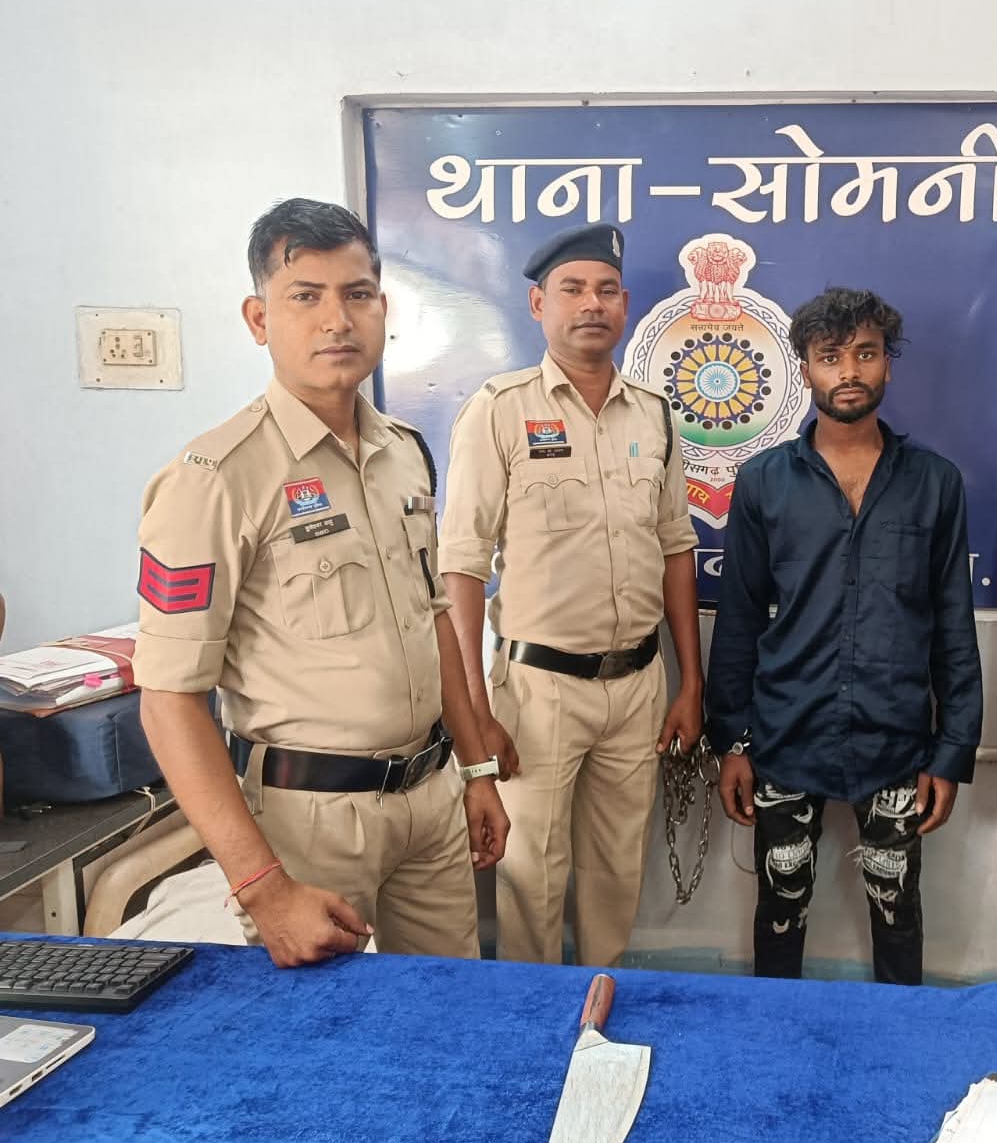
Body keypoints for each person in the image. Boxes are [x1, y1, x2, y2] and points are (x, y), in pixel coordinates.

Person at [135, 198, 509, 969]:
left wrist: (476, 771)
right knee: (325, 1032)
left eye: (357, 293)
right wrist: (263, 888)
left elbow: (434, 617)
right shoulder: (217, 478)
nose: (336, 319)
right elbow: (168, 699)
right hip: (311, 824)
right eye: (305, 296)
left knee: (447, 1011)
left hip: (430, 800)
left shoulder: (404, 453)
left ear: (383, 309)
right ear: (258, 318)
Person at [439, 223, 702, 967]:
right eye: (573, 289)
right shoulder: (500, 409)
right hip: (538, 690)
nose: (592, 304)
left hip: (638, 684)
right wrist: (475, 711)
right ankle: (534, 1017)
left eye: (607, 290)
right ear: (537, 304)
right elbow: (461, 566)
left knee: (618, 872)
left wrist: (690, 683)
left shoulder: (653, 412)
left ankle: (600, 1000)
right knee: (533, 876)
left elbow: (675, 547)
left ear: (625, 305)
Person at [707, 287, 982, 985]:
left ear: (888, 362)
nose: (849, 371)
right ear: (805, 368)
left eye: (866, 353)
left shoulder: (935, 484)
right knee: (779, 911)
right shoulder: (764, 482)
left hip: (896, 740)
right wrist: (731, 740)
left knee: (898, 914)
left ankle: (899, 1036)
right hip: (783, 734)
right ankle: (775, 1033)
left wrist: (953, 749)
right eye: (830, 357)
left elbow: (953, 623)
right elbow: (739, 618)